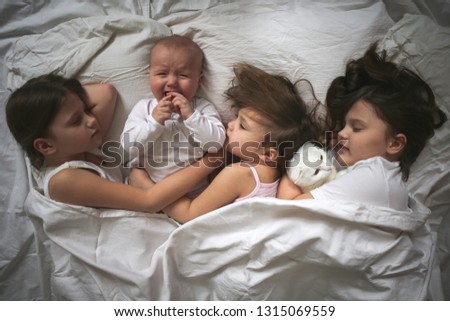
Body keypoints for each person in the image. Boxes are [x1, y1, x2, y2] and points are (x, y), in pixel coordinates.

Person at [5, 74, 221, 212]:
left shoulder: (81, 145)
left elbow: (106, 93)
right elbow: (148, 200)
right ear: (45, 146)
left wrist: (61, 96)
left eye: (86, 110)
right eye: (76, 120)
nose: (91, 120)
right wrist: (211, 160)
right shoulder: (64, 180)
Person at [277, 42, 447, 211]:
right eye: (343, 125)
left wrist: (295, 169)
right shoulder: (366, 177)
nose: (342, 133)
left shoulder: (375, 178)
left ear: (394, 144)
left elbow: (287, 210)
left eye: (357, 128)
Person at [154, 62, 320, 223]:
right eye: (236, 116)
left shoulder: (239, 173)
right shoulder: (273, 173)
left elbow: (189, 214)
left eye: (242, 125)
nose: (230, 125)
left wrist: (149, 185)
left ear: (268, 154)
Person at [121, 35, 226, 198]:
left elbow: (215, 144)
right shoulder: (144, 108)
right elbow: (129, 147)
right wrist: (153, 121)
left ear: (199, 80)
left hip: (194, 190)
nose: (171, 82)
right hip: (149, 186)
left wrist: (191, 116)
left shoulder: (202, 108)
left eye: (183, 75)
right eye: (162, 74)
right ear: (149, 75)